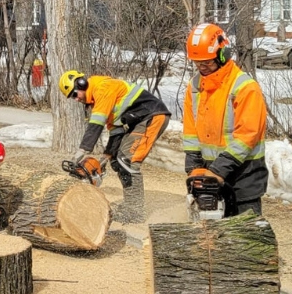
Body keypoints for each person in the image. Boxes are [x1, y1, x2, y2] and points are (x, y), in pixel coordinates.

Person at [58, 70, 171, 223]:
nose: (75, 99)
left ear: (81, 84)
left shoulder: (102, 88)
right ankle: (130, 205)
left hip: (152, 116)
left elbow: (96, 124)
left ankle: (135, 211)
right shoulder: (97, 99)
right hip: (138, 120)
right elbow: (116, 131)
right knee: (118, 162)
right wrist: (107, 156)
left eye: (74, 94)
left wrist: (82, 150)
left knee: (128, 160)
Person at [183, 23, 268, 217]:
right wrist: (194, 166)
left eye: (207, 62)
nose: (202, 67)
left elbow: (248, 135)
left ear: (223, 55)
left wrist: (218, 170)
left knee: (247, 235)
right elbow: (190, 131)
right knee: (212, 236)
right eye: (197, 62)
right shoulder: (195, 86)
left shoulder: (244, 87)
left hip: (244, 173)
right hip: (209, 170)